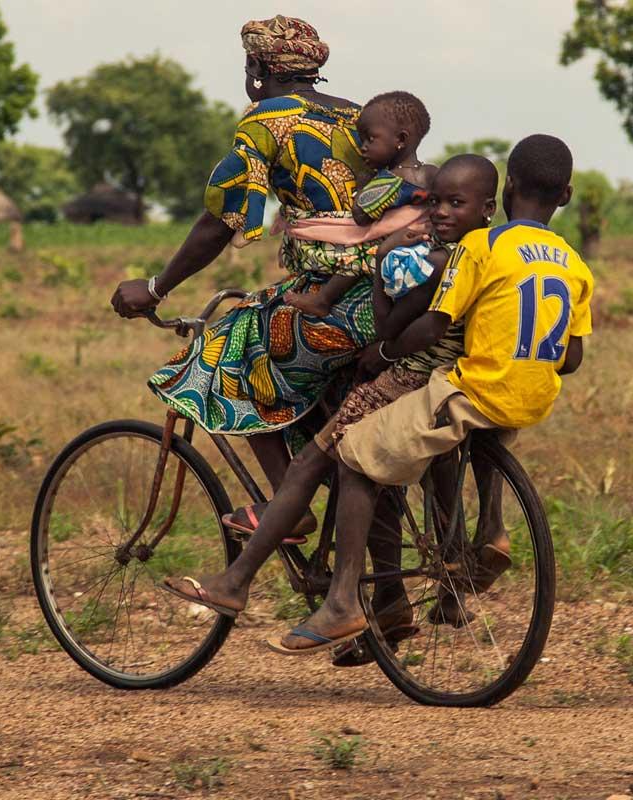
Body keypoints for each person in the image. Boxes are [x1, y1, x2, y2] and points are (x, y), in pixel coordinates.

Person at [158, 154, 503, 658]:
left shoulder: (426, 258)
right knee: (356, 458)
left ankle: (245, 582)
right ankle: (386, 597)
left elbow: (394, 326)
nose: (441, 213)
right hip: (457, 378)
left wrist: (385, 259)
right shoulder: (480, 251)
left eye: (455, 204)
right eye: (438, 203)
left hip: (407, 376)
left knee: (311, 459)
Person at [270, 134, 596, 653]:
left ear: (506, 190)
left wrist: (387, 349)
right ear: (567, 195)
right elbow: (572, 358)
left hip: (474, 388)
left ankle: (341, 603)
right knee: (442, 437)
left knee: (354, 454)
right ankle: (483, 536)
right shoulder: (574, 263)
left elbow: (435, 323)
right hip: (531, 396)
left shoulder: (482, 246)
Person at [110, 16, 375, 511]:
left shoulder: (266, 118)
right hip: (389, 295)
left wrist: (156, 286)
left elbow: (223, 217)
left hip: (334, 300)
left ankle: (285, 509)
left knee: (225, 352)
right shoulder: (362, 117)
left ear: (257, 67)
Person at [280, 91, 437, 320]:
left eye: (370, 139)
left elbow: (361, 215)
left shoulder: (390, 178)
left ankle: (323, 300)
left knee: (360, 251)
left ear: (401, 140)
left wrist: (363, 184)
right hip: (426, 248)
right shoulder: (431, 172)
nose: (363, 147)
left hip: (396, 249)